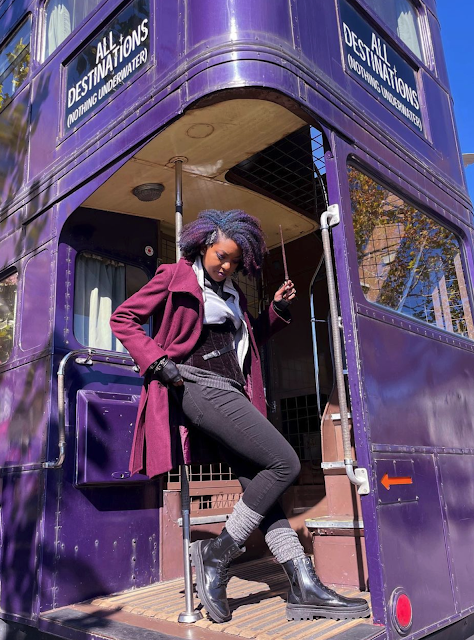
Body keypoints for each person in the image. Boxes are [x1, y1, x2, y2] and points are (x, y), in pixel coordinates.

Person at [110, 209, 369, 624]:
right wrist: (157, 362)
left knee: (261, 486)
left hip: (232, 391)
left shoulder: (233, 295)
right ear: (203, 246)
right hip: (196, 384)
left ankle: (302, 583)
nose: (226, 266)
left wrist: (276, 310)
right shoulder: (175, 275)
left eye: (234, 260)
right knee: (284, 463)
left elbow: (244, 344)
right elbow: (123, 318)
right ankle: (216, 554)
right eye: (221, 256)